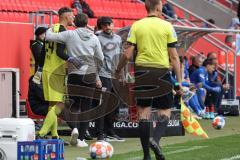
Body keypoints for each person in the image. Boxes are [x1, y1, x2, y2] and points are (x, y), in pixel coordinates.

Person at [115, 0, 181, 159]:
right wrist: (179, 82)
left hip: (142, 72)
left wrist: (118, 69)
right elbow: (174, 57)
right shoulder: (167, 26)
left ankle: (146, 156)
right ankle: (156, 140)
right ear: (158, 7)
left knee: (143, 113)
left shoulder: (137, 26)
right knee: (165, 110)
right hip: (161, 71)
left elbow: (127, 54)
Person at [45, 13, 104, 147]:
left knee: (73, 105)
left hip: (74, 75)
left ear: (75, 23)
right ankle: (81, 139)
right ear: (86, 22)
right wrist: (97, 76)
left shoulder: (70, 34)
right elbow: (100, 59)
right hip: (89, 74)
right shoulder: (94, 38)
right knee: (86, 108)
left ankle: (75, 128)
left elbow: (49, 36)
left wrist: (50, 27)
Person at [33, 7, 75, 139]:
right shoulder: (63, 31)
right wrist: (73, 60)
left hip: (46, 69)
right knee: (60, 104)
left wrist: (39, 70)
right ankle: (42, 132)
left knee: (52, 105)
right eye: (72, 16)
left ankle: (55, 135)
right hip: (57, 71)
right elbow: (59, 52)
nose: (73, 18)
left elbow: (43, 53)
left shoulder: (50, 29)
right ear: (66, 16)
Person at [95, 16, 124, 142]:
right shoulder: (97, 38)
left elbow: (120, 57)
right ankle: (100, 134)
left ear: (113, 25)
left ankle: (110, 131)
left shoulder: (118, 38)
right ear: (101, 27)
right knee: (102, 105)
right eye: (104, 25)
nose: (107, 27)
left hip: (115, 76)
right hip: (103, 75)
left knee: (113, 106)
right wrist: (96, 77)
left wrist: (122, 74)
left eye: (109, 24)